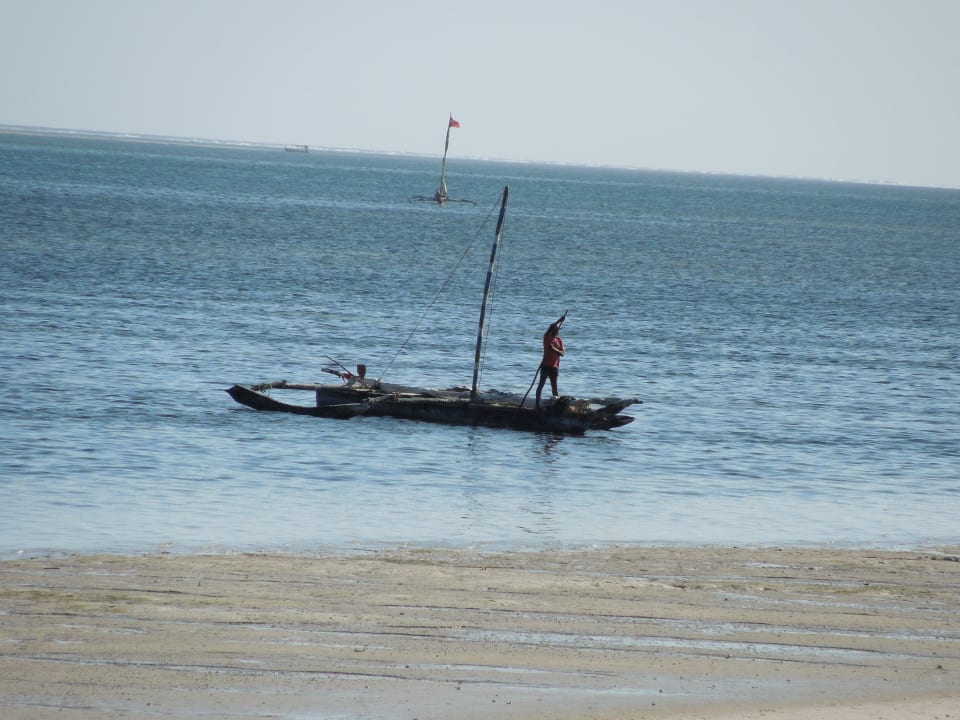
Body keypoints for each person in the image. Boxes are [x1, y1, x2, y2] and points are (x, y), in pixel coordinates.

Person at [536, 312, 567, 408]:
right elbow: (549, 329)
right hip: (545, 365)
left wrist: (554, 349)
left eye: (556, 330)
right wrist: (559, 320)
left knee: (554, 387)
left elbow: (562, 353)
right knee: (541, 385)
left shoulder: (559, 340)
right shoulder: (547, 337)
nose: (556, 332)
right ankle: (537, 404)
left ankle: (556, 405)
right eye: (555, 330)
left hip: (554, 366)